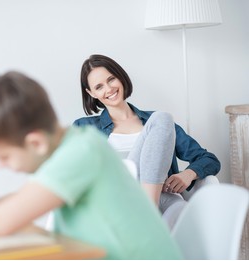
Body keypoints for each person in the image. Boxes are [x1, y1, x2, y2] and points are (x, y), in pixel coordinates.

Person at [0, 71, 182, 260]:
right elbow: (32, 196)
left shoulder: (81, 153)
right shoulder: (73, 143)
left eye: (4, 157)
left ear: (35, 143)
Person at [73, 54, 221, 227]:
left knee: (180, 207)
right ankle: (147, 217)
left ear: (120, 77)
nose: (109, 88)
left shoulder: (156, 125)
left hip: (162, 198)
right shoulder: (85, 127)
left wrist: (188, 174)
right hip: (119, 198)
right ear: (91, 93)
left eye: (111, 79)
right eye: (99, 86)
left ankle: (150, 227)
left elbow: (209, 159)